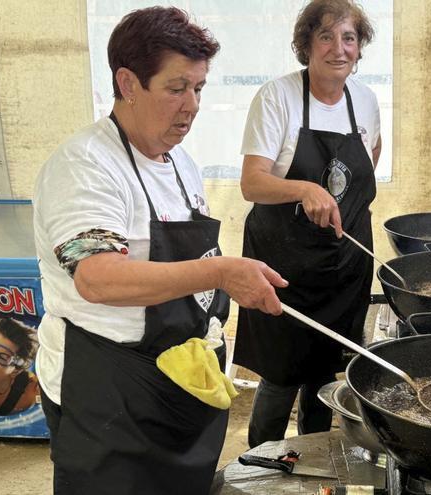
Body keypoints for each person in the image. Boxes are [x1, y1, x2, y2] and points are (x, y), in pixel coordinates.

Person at [32, 7, 286, 494]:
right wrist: (220, 273)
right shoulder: (85, 166)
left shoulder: (180, 163)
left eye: (199, 88)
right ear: (128, 83)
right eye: (176, 88)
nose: (192, 105)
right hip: (106, 392)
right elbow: (99, 278)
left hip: (174, 380)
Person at [233, 0, 381, 448]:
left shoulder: (366, 101)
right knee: (280, 377)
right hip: (283, 263)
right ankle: (260, 464)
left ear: (359, 47)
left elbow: (369, 160)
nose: (339, 49)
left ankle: (313, 465)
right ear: (306, 45)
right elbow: (252, 183)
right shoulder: (277, 97)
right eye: (326, 36)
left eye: (349, 38)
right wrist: (303, 189)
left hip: (341, 267)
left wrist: (338, 198)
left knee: (324, 375)